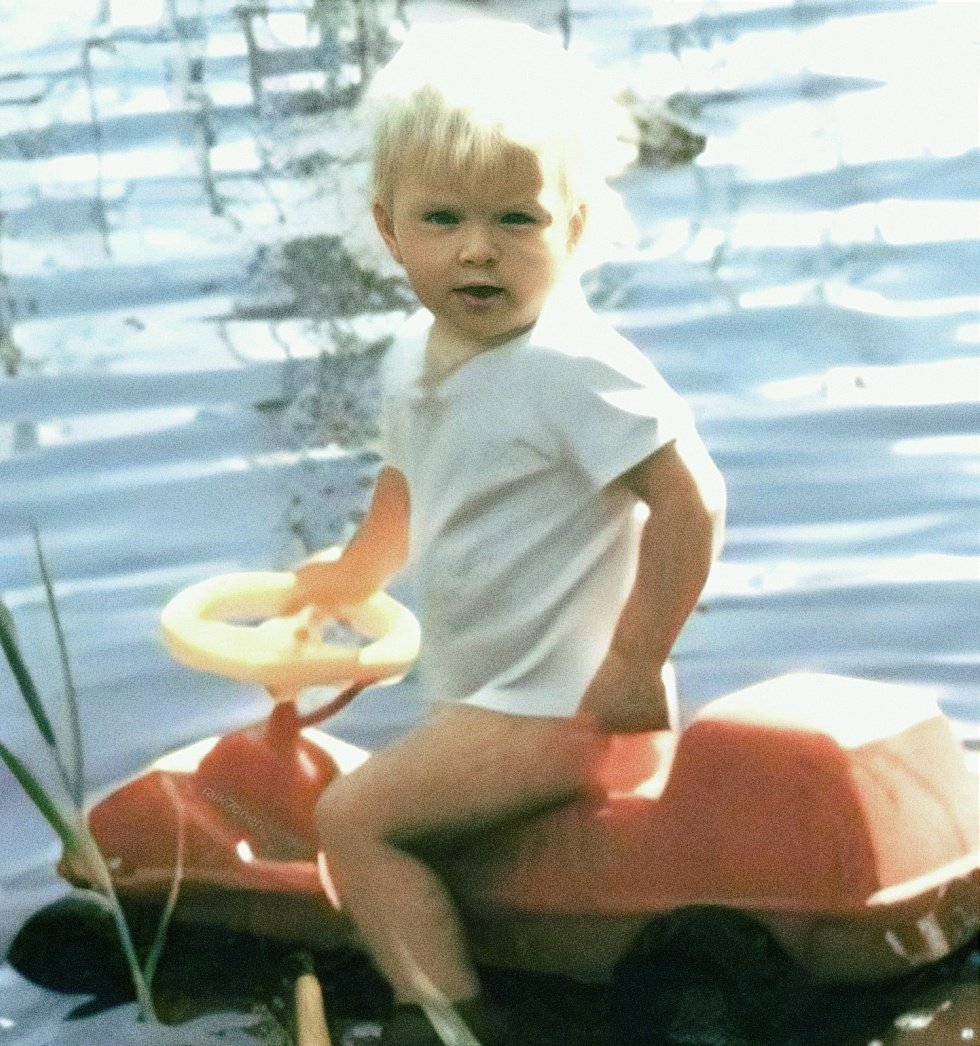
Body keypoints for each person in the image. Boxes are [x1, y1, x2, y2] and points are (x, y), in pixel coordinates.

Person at [294, 20, 726, 1045]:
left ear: (573, 229)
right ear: (389, 229)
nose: (476, 247)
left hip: (557, 710)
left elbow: (689, 497)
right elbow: (411, 486)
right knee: (401, 797)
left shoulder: (570, 364)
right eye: (440, 219)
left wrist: (632, 659)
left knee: (351, 817)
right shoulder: (414, 353)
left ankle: (439, 1017)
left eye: (515, 219)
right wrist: (350, 572)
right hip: (487, 699)